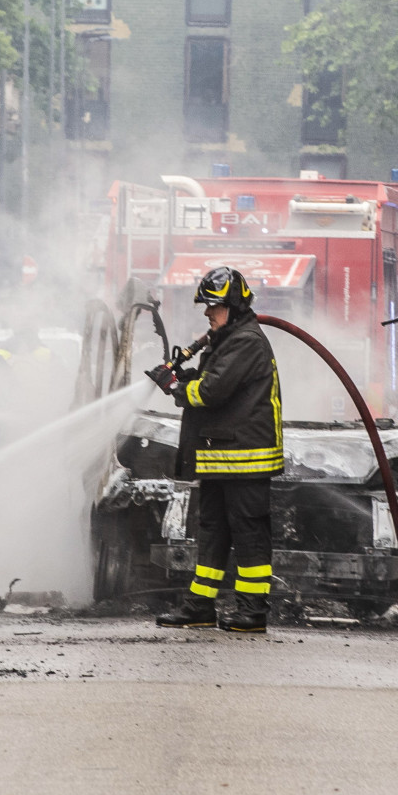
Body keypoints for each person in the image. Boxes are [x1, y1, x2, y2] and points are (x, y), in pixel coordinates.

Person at [148, 266, 283, 633]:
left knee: (248, 533)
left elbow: (211, 392)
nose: (207, 313)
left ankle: (252, 611)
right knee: (212, 532)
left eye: (213, 307)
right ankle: (200, 606)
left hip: (245, 459)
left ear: (234, 306)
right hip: (222, 457)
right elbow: (211, 381)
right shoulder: (228, 340)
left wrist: (176, 387)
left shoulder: (246, 342)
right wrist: (181, 377)